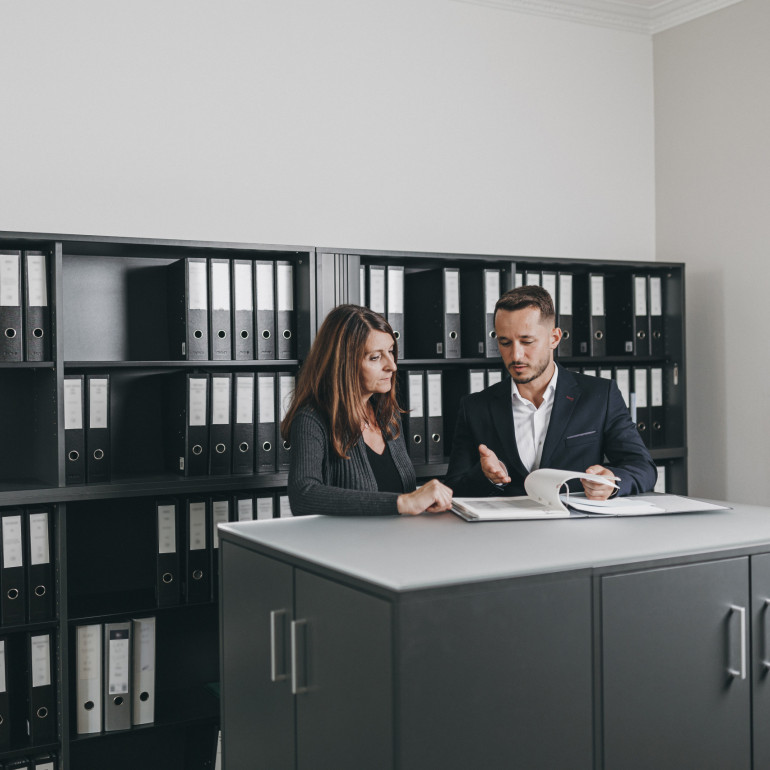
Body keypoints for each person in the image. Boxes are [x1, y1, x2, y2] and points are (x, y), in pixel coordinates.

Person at [444, 285, 657, 499]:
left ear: (554, 339)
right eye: (505, 342)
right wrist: (487, 476)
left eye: (527, 341)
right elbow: (454, 488)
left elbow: (643, 468)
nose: (516, 355)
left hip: (577, 527)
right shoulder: (475, 407)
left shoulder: (601, 396)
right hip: (506, 530)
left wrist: (611, 481)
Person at [281, 304, 453, 516]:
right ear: (344, 363)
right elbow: (303, 496)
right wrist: (402, 503)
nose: (392, 365)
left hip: (400, 544)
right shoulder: (311, 420)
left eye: (390, 352)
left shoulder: (388, 415)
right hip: (347, 548)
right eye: (375, 357)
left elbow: (400, 494)